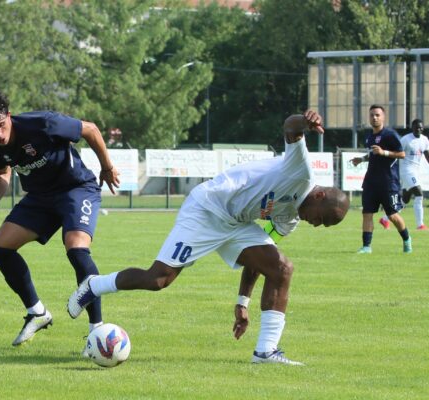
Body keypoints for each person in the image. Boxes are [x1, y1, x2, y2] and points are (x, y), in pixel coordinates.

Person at [68, 110, 350, 365]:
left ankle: (265, 352)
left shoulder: (290, 219)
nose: (316, 224)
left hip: (236, 223)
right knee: (157, 279)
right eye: (321, 219)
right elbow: (291, 126)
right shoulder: (301, 172)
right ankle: (95, 285)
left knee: (281, 269)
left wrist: (242, 302)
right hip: (207, 208)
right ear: (319, 195)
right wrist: (306, 121)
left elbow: (259, 260)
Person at [0, 88, 120, 348]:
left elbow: (91, 129)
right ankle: (37, 312)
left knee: (76, 249)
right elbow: (2, 172)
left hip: (76, 189)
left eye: (1, 125)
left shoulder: (43, 124)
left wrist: (107, 167)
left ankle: (97, 329)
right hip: (40, 198)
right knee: (0, 247)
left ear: (9, 116)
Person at [351, 105, 412, 254]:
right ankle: (366, 247)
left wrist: (384, 152)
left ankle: (407, 240)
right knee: (367, 213)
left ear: (383, 117)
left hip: (388, 182)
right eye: (372, 115)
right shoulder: (369, 136)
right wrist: (361, 159)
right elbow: (373, 154)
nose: (374, 118)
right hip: (371, 182)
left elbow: (402, 154)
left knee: (392, 215)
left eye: (377, 115)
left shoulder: (390, 135)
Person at [398, 119, 429, 230]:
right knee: (419, 194)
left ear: (423, 128)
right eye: (416, 127)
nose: (418, 129)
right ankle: (420, 224)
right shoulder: (406, 139)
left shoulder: (425, 140)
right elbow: (397, 152)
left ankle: (385, 219)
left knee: (405, 200)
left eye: (420, 127)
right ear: (412, 127)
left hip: (415, 171)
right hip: (406, 171)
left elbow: (426, 154)